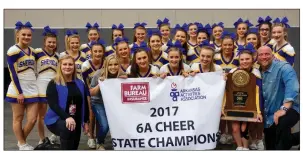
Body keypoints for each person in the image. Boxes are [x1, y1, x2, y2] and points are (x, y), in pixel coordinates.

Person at [257, 46, 299, 150]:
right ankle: (295, 138)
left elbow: (292, 87)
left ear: (272, 55)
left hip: (289, 108)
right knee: (271, 146)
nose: (264, 57)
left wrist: (284, 108)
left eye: (267, 54)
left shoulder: (284, 67)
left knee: (282, 130)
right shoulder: (257, 71)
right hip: (269, 116)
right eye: (261, 54)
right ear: (257, 57)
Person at [222, 45, 263, 150]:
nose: (244, 61)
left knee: (244, 128)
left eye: (247, 59)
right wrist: (224, 78)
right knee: (235, 129)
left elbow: (258, 93)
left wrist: (258, 112)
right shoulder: (232, 72)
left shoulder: (256, 73)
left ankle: (245, 148)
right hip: (235, 106)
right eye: (242, 59)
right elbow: (227, 91)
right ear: (239, 60)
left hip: (250, 106)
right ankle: (239, 147)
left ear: (252, 60)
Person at [44, 55, 89, 150]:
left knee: (74, 146)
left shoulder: (80, 83)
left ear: (74, 67)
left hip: (75, 119)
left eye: (70, 64)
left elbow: (84, 104)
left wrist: (85, 121)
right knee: (68, 128)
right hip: (57, 119)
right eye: (64, 64)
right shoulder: (54, 83)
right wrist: (67, 117)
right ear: (60, 66)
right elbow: (53, 105)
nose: (67, 67)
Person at [5, 21, 39, 150]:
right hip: (17, 89)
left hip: (32, 89)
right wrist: (19, 92)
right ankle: (22, 143)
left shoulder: (32, 51)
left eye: (29, 35)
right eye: (23, 34)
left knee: (32, 119)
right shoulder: (13, 51)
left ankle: (21, 141)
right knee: (18, 118)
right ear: (18, 35)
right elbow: (12, 72)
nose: (26, 37)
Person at [90, 55, 125, 150]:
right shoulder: (98, 74)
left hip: (113, 103)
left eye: (115, 64)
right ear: (106, 65)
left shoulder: (122, 74)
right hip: (98, 102)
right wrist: (99, 84)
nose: (113, 67)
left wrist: (125, 80)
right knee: (105, 125)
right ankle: (99, 142)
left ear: (119, 65)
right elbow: (91, 92)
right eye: (110, 65)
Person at [34, 26, 59, 146]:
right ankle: (42, 138)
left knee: (57, 111)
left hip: (54, 86)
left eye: (54, 42)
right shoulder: (37, 53)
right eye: (49, 42)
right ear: (44, 42)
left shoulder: (57, 56)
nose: (52, 44)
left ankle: (55, 134)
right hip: (41, 86)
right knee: (42, 115)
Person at [213, 31, 239, 145]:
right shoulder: (216, 57)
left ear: (233, 45)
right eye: (225, 45)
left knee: (231, 111)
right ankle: (223, 133)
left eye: (230, 45)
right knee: (220, 110)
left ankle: (233, 134)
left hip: (234, 89)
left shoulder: (238, 58)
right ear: (221, 46)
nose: (227, 47)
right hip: (219, 89)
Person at [81, 39, 106, 149]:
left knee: (99, 117)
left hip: (103, 94)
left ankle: (97, 138)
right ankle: (91, 137)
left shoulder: (106, 63)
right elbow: (86, 83)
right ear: (91, 52)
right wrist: (88, 98)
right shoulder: (86, 65)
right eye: (95, 51)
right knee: (91, 114)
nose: (98, 53)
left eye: (100, 51)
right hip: (90, 92)